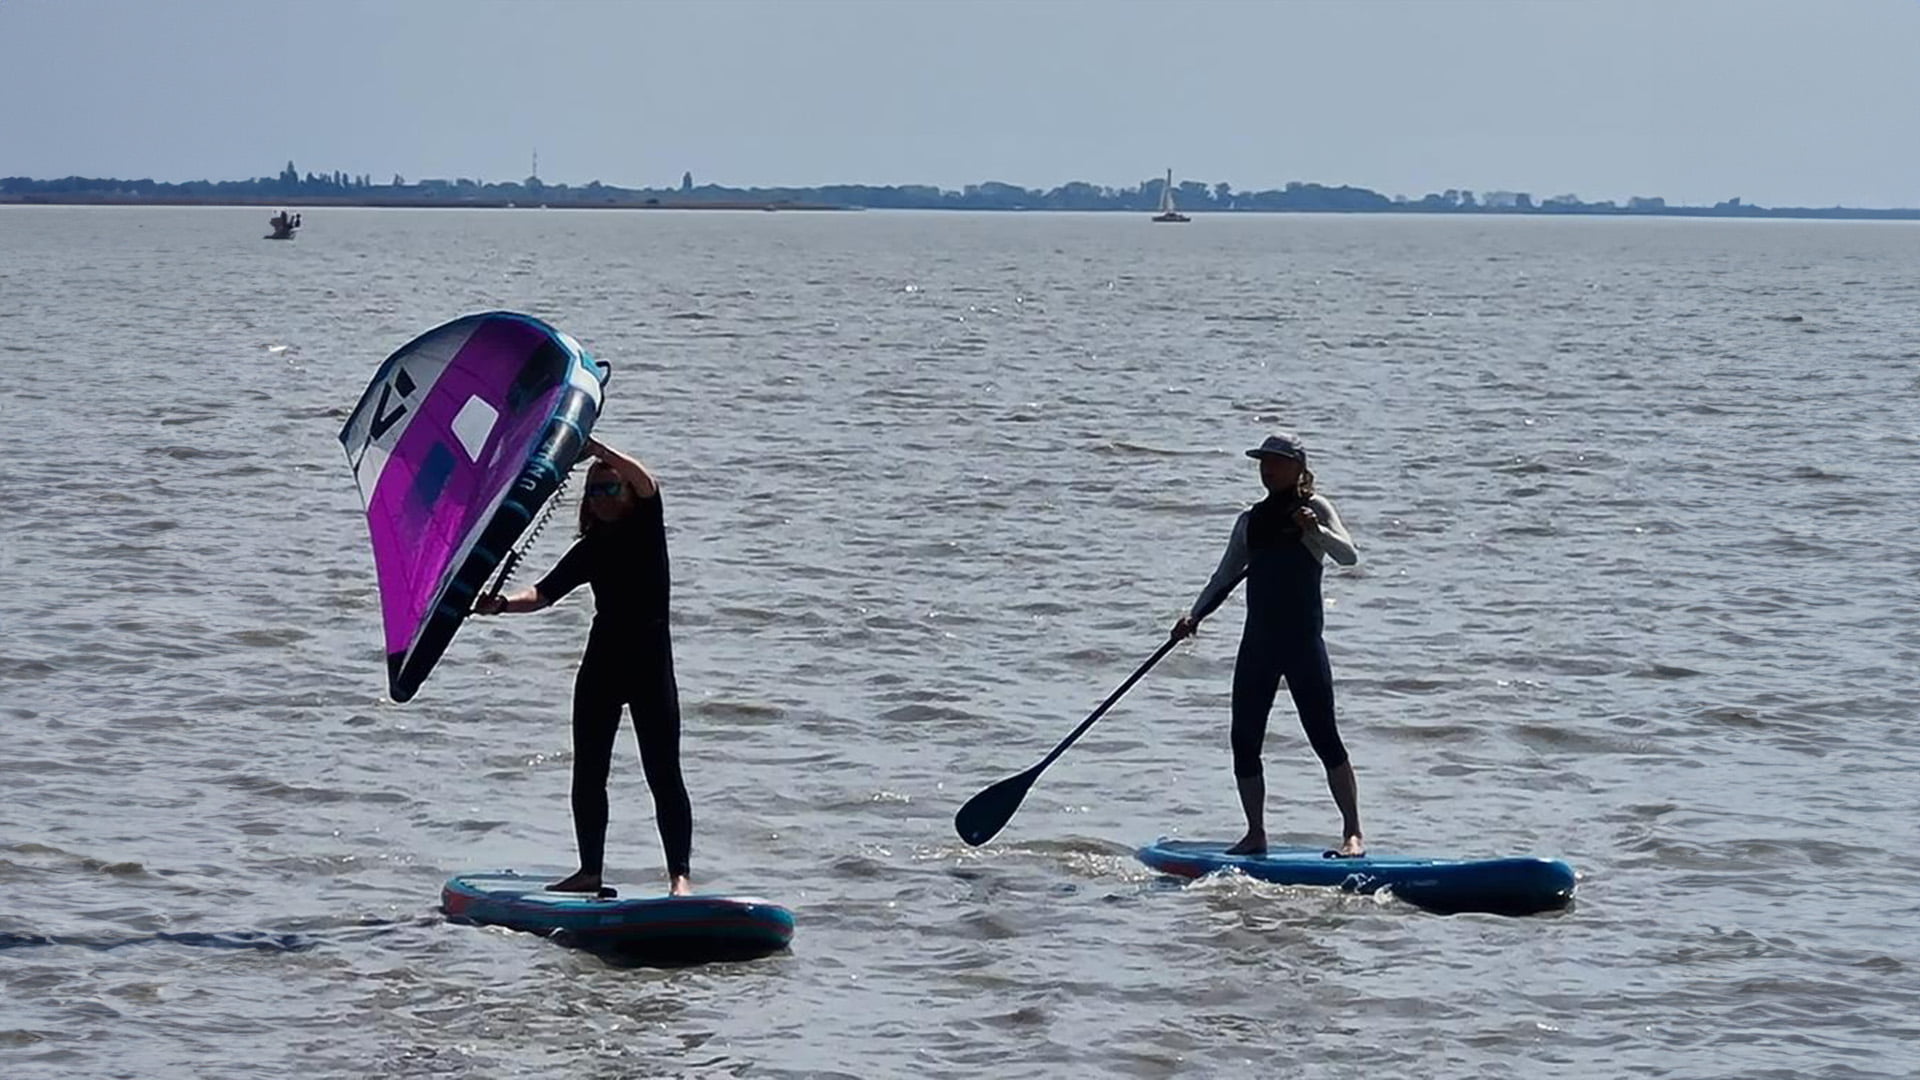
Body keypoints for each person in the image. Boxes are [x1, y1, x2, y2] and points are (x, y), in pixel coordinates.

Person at [476, 437, 693, 896]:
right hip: (602, 667)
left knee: (663, 772)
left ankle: (679, 878)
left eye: (611, 489)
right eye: (594, 491)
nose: (603, 497)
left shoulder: (646, 526)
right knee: (589, 772)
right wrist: (500, 606)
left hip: (651, 667)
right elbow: (544, 592)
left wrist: (590, 446)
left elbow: (645, 478)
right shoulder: (591, 548)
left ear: (628, 494)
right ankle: (589, 871)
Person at [1172, 432, 1364, 858]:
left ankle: (1353, 834)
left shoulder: (1315, 509)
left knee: (1324, 736)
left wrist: (1316, 533)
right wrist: (1194, 615)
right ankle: (1255, 833)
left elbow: (1349, 556)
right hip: (1258, 644)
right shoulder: (1250, 521)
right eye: (1263, 461)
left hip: (1302, 644)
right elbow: (1223, 577)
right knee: (1244, 740)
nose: (1267, 468)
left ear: (1298, 466)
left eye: (1276, 461)